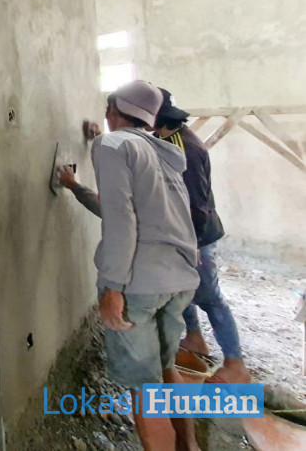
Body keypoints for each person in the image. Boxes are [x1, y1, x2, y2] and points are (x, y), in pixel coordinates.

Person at [90, 80, 200, 450]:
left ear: (113, 111)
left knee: (145, 389)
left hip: (139, 284)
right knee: (167, 369)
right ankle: (189, 446)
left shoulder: (111, 145)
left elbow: (120, 218)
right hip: (179, 279)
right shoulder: (163, 152)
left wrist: (113, 287)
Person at [152, 88, 250, 384]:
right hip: (183, 234)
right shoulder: (165, 138)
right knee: (183, 290)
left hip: (198, 236)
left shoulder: (187, 150)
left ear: (157, 118)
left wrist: (191, 245)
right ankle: (195, 339)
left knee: (210, 297)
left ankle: (236, 364)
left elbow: (197, 204)